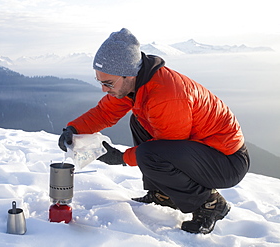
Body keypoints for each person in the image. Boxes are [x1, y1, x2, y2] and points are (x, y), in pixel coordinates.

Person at [58, 28, 250, 234]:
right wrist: (73, 129)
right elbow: (104, 113)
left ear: (128, 74)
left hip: (226, 162)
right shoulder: (135, 84)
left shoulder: (166, 95)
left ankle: (210, 204)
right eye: (100, 81)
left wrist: (122, 157)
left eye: (108, 83)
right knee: (139, 122)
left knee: (150, 154)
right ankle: (163, 194)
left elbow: (167, 148)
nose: (104, 89)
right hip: (201, 152)